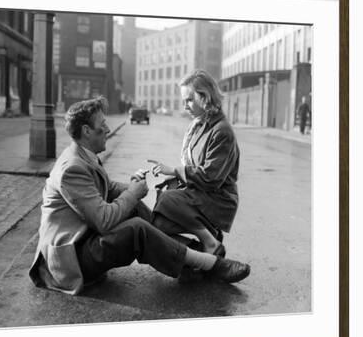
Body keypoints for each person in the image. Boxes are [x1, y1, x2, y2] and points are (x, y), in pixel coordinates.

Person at [28, 96, 250, 295]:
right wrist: (133, 193)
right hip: (70, 260)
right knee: (136, 229)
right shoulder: (71, 169)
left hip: (84, 240)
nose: (107, 129)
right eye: (102, 124)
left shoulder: (83, 154)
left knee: (135, 209)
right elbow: (104, 221)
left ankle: (193, 258)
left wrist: (132, 188)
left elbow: (106, 187)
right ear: (87, 131)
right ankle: (211, 263)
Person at [149, 70, 240, 258]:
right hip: (200, 193)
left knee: (167, 200)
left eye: (189, 100)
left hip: (218, 198)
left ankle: (209, 243)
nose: (185, 106)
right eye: (184, 101)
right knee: (158, 224)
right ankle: (203, 250)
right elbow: (193, 166)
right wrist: (173, 177)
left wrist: (175, 171)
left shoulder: (222, 131)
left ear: (205, 97)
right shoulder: (198, 125)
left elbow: (210, 178)